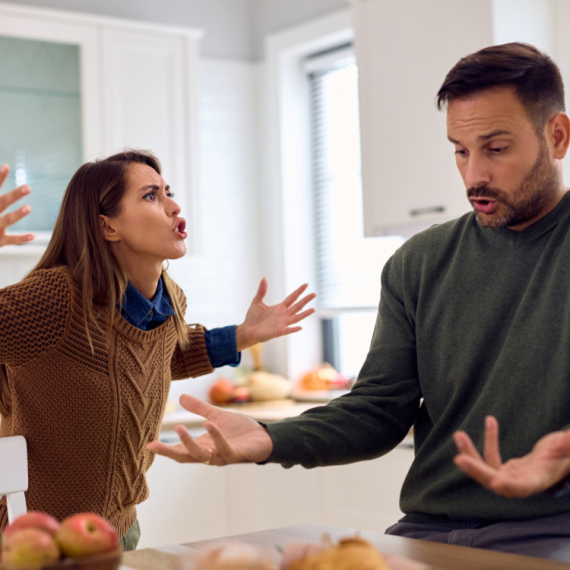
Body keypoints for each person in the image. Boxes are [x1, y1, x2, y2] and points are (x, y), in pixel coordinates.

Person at [148, 42, 570, 562]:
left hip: (550, 531)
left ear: (557, 136)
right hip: (427, 529)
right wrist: (270, 438)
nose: (473, 175)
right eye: (460, 150)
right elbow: (378, 410)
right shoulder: (421, 261)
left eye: (496, 148)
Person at [0, 150, 316, 550]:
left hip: (120, 527)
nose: (174, 205)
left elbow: (157, 357)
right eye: (151, 196)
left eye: (168, 191)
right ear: (107, 226)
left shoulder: (170, 299)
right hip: (34, 535)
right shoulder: (58, 298)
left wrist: (242, 335)